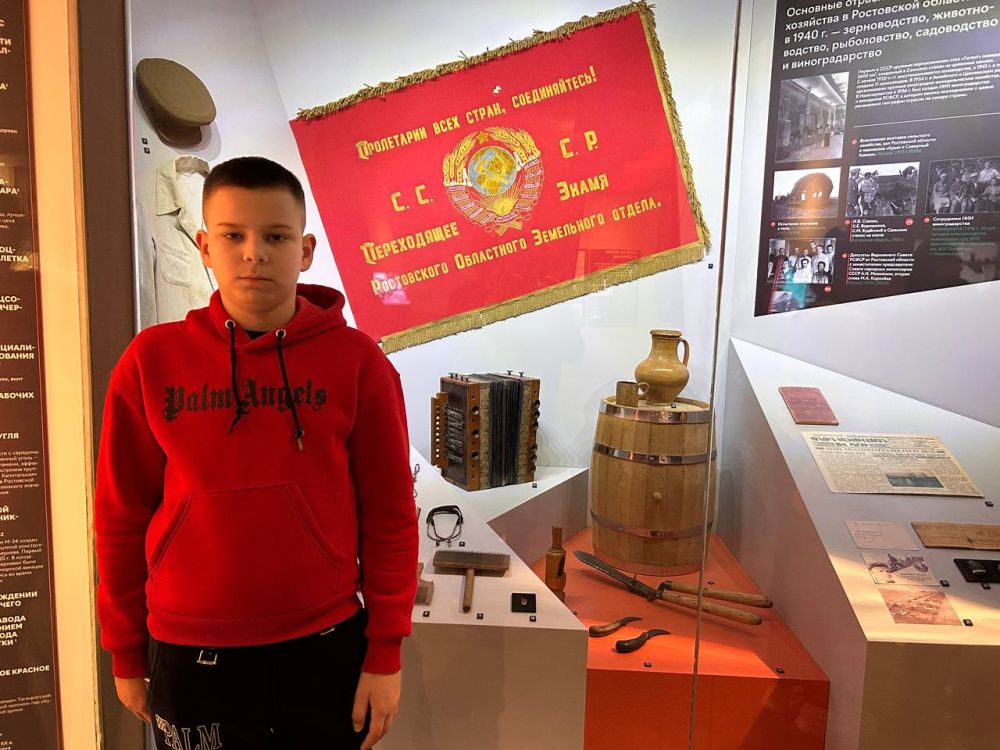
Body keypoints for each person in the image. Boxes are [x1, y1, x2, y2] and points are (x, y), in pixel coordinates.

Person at [95, 156, 418, 750]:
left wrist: (385, 652)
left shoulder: (358, 363)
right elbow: (119, 516)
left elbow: (390, 514)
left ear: (306, 250)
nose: (254, 254)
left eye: (276, 237)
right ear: (204, 246)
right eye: (233, 236)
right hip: (188, 648)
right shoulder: (149, 362)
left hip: (324, 643)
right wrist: (123, 649)